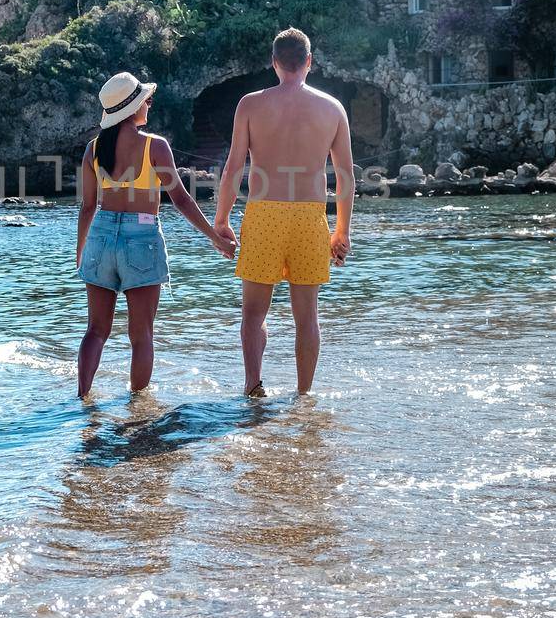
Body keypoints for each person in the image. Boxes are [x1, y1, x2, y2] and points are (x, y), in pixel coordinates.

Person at [213, 28, 354, 397]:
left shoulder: (250, 105)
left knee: (253, 314)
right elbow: (346, 177)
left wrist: (222, 220)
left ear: (274, 62)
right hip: (310, 217)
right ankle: (303, 396)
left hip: (263, 215)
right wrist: (341, 230)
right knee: (307, 317)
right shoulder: (332, 108)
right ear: (309, 61)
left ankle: (252, 384)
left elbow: (233, 169)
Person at [77, 71, 235, 399]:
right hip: (142, 236)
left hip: (101, 237)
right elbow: (181, 199)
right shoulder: (155, 146)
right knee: (141, 335)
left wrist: (81, 253)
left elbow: (88, 207)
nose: (150, 104)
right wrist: (215, 238)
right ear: (134, 107)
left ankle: (83, 401)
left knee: (95, 331)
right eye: (146, 100)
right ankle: (138, 406)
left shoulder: (93, 149)